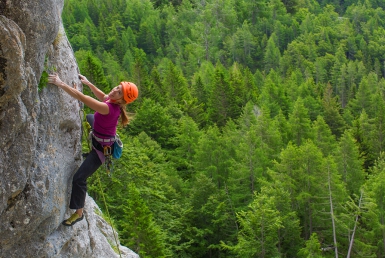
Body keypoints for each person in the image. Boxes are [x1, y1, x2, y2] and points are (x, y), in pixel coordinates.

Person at [48, 73, 138, 226]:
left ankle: (78, 213)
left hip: (100, 151)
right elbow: (103, 96)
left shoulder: (108, 108)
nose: (114, 90)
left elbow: (83, 98)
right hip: (101, 136)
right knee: (91, 116)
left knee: (79, 179)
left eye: (118, 92)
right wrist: (89, 83)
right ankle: (93, 134)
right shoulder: (112, 102)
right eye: (117, 87)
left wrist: (60, 83)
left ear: (122, 100)